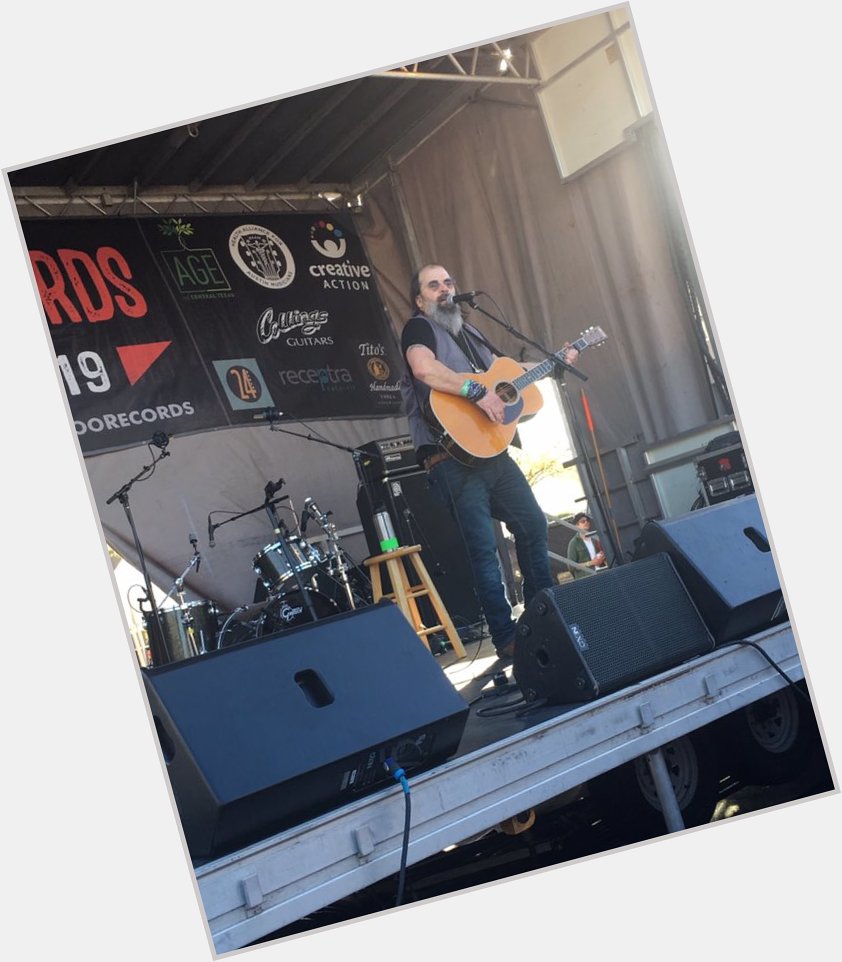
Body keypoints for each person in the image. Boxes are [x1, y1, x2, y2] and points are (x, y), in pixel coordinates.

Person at [399, 263, 578, 659]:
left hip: (491, 452)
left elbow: (511, 377)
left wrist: (555, 361)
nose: (445, 289)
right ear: (419, 299)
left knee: (532, 522)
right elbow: (423, 368)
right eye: (434, 285)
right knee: (484, 550)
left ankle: (541, 614)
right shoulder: (418, 328)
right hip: (449, 458)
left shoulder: (471, 333)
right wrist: (475, 391)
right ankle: (506, 638)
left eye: (448, 282)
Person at [566, 512, 606, 578]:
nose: (586, 522)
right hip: (587, 578)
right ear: (577, 525)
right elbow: (571, 566)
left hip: (602, 573)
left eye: (587, 520)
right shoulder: (574, 543)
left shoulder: (596, 537)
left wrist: (603, 556)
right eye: (583, 521)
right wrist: (591, 563)